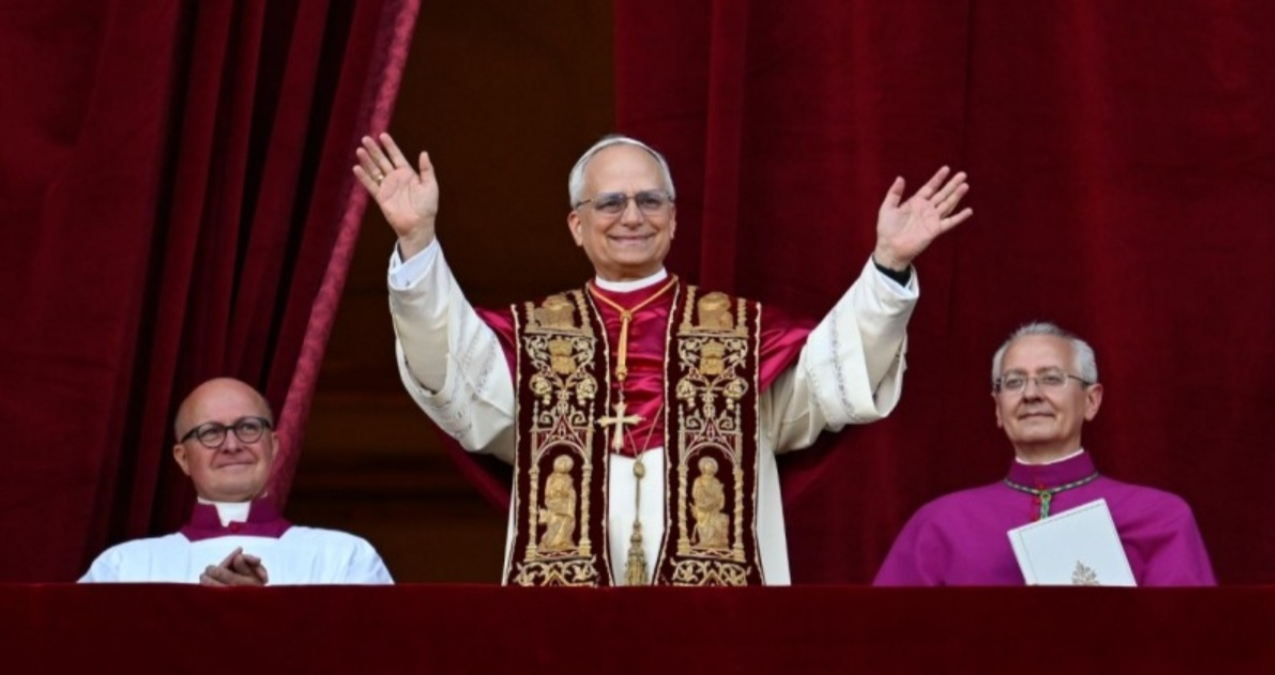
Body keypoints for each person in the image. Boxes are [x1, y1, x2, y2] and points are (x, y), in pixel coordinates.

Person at [354, 132, 972, 586]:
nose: (632, 216)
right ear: (575, 224)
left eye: (650, 202)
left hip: (717, 615)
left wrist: (888, 265)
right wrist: (417, 241)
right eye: (611, 202)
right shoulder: (533, 336)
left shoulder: (740, 334)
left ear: (674, 221)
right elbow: (453, 377)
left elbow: (833, 378)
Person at [873, 322, 1216, 586]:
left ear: (1091, 400)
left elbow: (1188, 649)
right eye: (1013, 382)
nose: (1031, 394)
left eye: (1051, 378)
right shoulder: (938, 525)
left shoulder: (1161, 519)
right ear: (997, 408)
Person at [80, 378, 393, 585]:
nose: (231, 445)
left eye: (247, 428)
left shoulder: (345, 559)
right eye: (211, 432)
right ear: (182, 458)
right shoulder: (123, 569)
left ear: (273, 446)